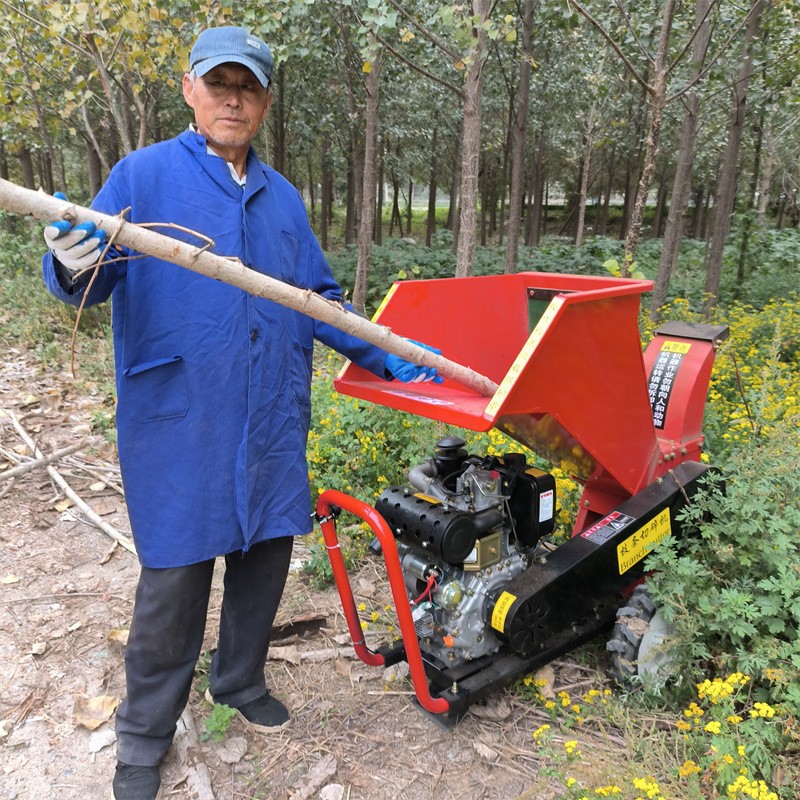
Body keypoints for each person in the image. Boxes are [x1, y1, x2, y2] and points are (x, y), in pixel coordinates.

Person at [41, 26, 441, 800]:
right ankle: (143, 736)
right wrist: (70, 259)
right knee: (175, 577)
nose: (233, 97)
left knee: (264, 556)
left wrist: (397, 360)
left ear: (262, 101)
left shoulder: (282, 196)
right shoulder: (145, 176)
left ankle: (238, 681)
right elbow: (87, 284)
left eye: (248, 86)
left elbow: (320, 301)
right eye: (218, 82)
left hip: (268, 414)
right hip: (181, 416)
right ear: (189, 89)